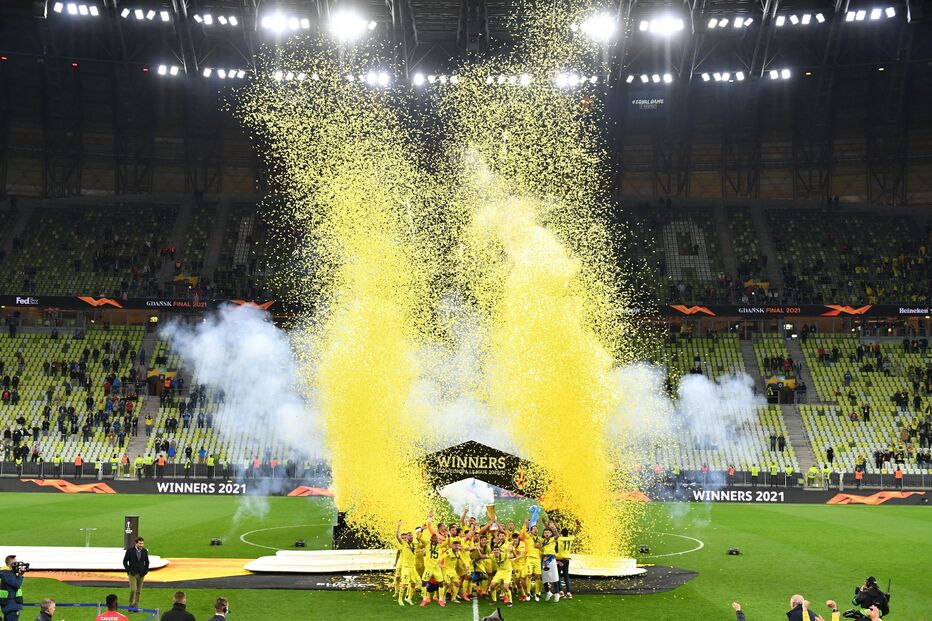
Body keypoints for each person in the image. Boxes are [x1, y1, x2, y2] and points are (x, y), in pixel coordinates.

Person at [122, 536, 150, 612]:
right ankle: (131, 604)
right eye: (140, 543)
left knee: (138, 591)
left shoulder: (144, 551)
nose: (141, 545)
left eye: (142, 543)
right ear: (136, 543)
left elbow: (147, 562)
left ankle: (136, 607)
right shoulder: (130, 551)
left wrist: (145, 571)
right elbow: (125, 562)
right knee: (133, 590)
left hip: (141, 574)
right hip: (132, 574)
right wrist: (128, 571)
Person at [1, 554, 25, 621]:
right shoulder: (7, 574)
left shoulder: (8, 573)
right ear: (9, 565)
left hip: (10, 606)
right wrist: (20, 575)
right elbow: (16, 584)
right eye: (14, 563)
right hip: (11, 607)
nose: (17, 565)